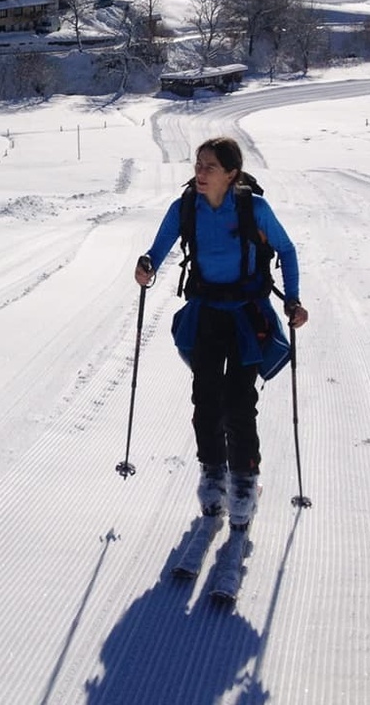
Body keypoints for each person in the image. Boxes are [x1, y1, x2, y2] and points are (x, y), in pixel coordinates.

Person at [134, 136, 308, 530]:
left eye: (209, 166)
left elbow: (287, 249)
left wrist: (293, 298)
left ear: (231, 173)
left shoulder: (253, 209)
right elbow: (157, 250)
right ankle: (213, 480)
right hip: (207, 313)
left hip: (247, 316)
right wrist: (146, 266)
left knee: (239, 402)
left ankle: (243, 486)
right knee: (206, 399)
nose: (200, 172)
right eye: (198, 164)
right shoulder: (185, 208)